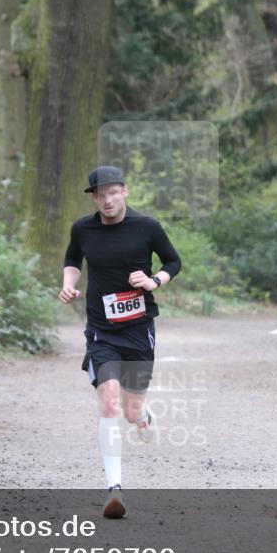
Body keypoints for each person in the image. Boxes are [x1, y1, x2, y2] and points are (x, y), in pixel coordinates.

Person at [60, 166, 182, 518]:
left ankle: (143, 415)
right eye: (100, 194)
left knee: (129, 411)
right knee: (109, 403)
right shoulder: (83, 228)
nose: (107, 199)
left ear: (125, 191)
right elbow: (72, 259)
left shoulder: (147, 227)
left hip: (138, 330)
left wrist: (154, 280)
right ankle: (114, 489)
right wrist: (69, 282)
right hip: (101, 331)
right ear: (94, 198)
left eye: (113, 192)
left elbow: (173, 261)